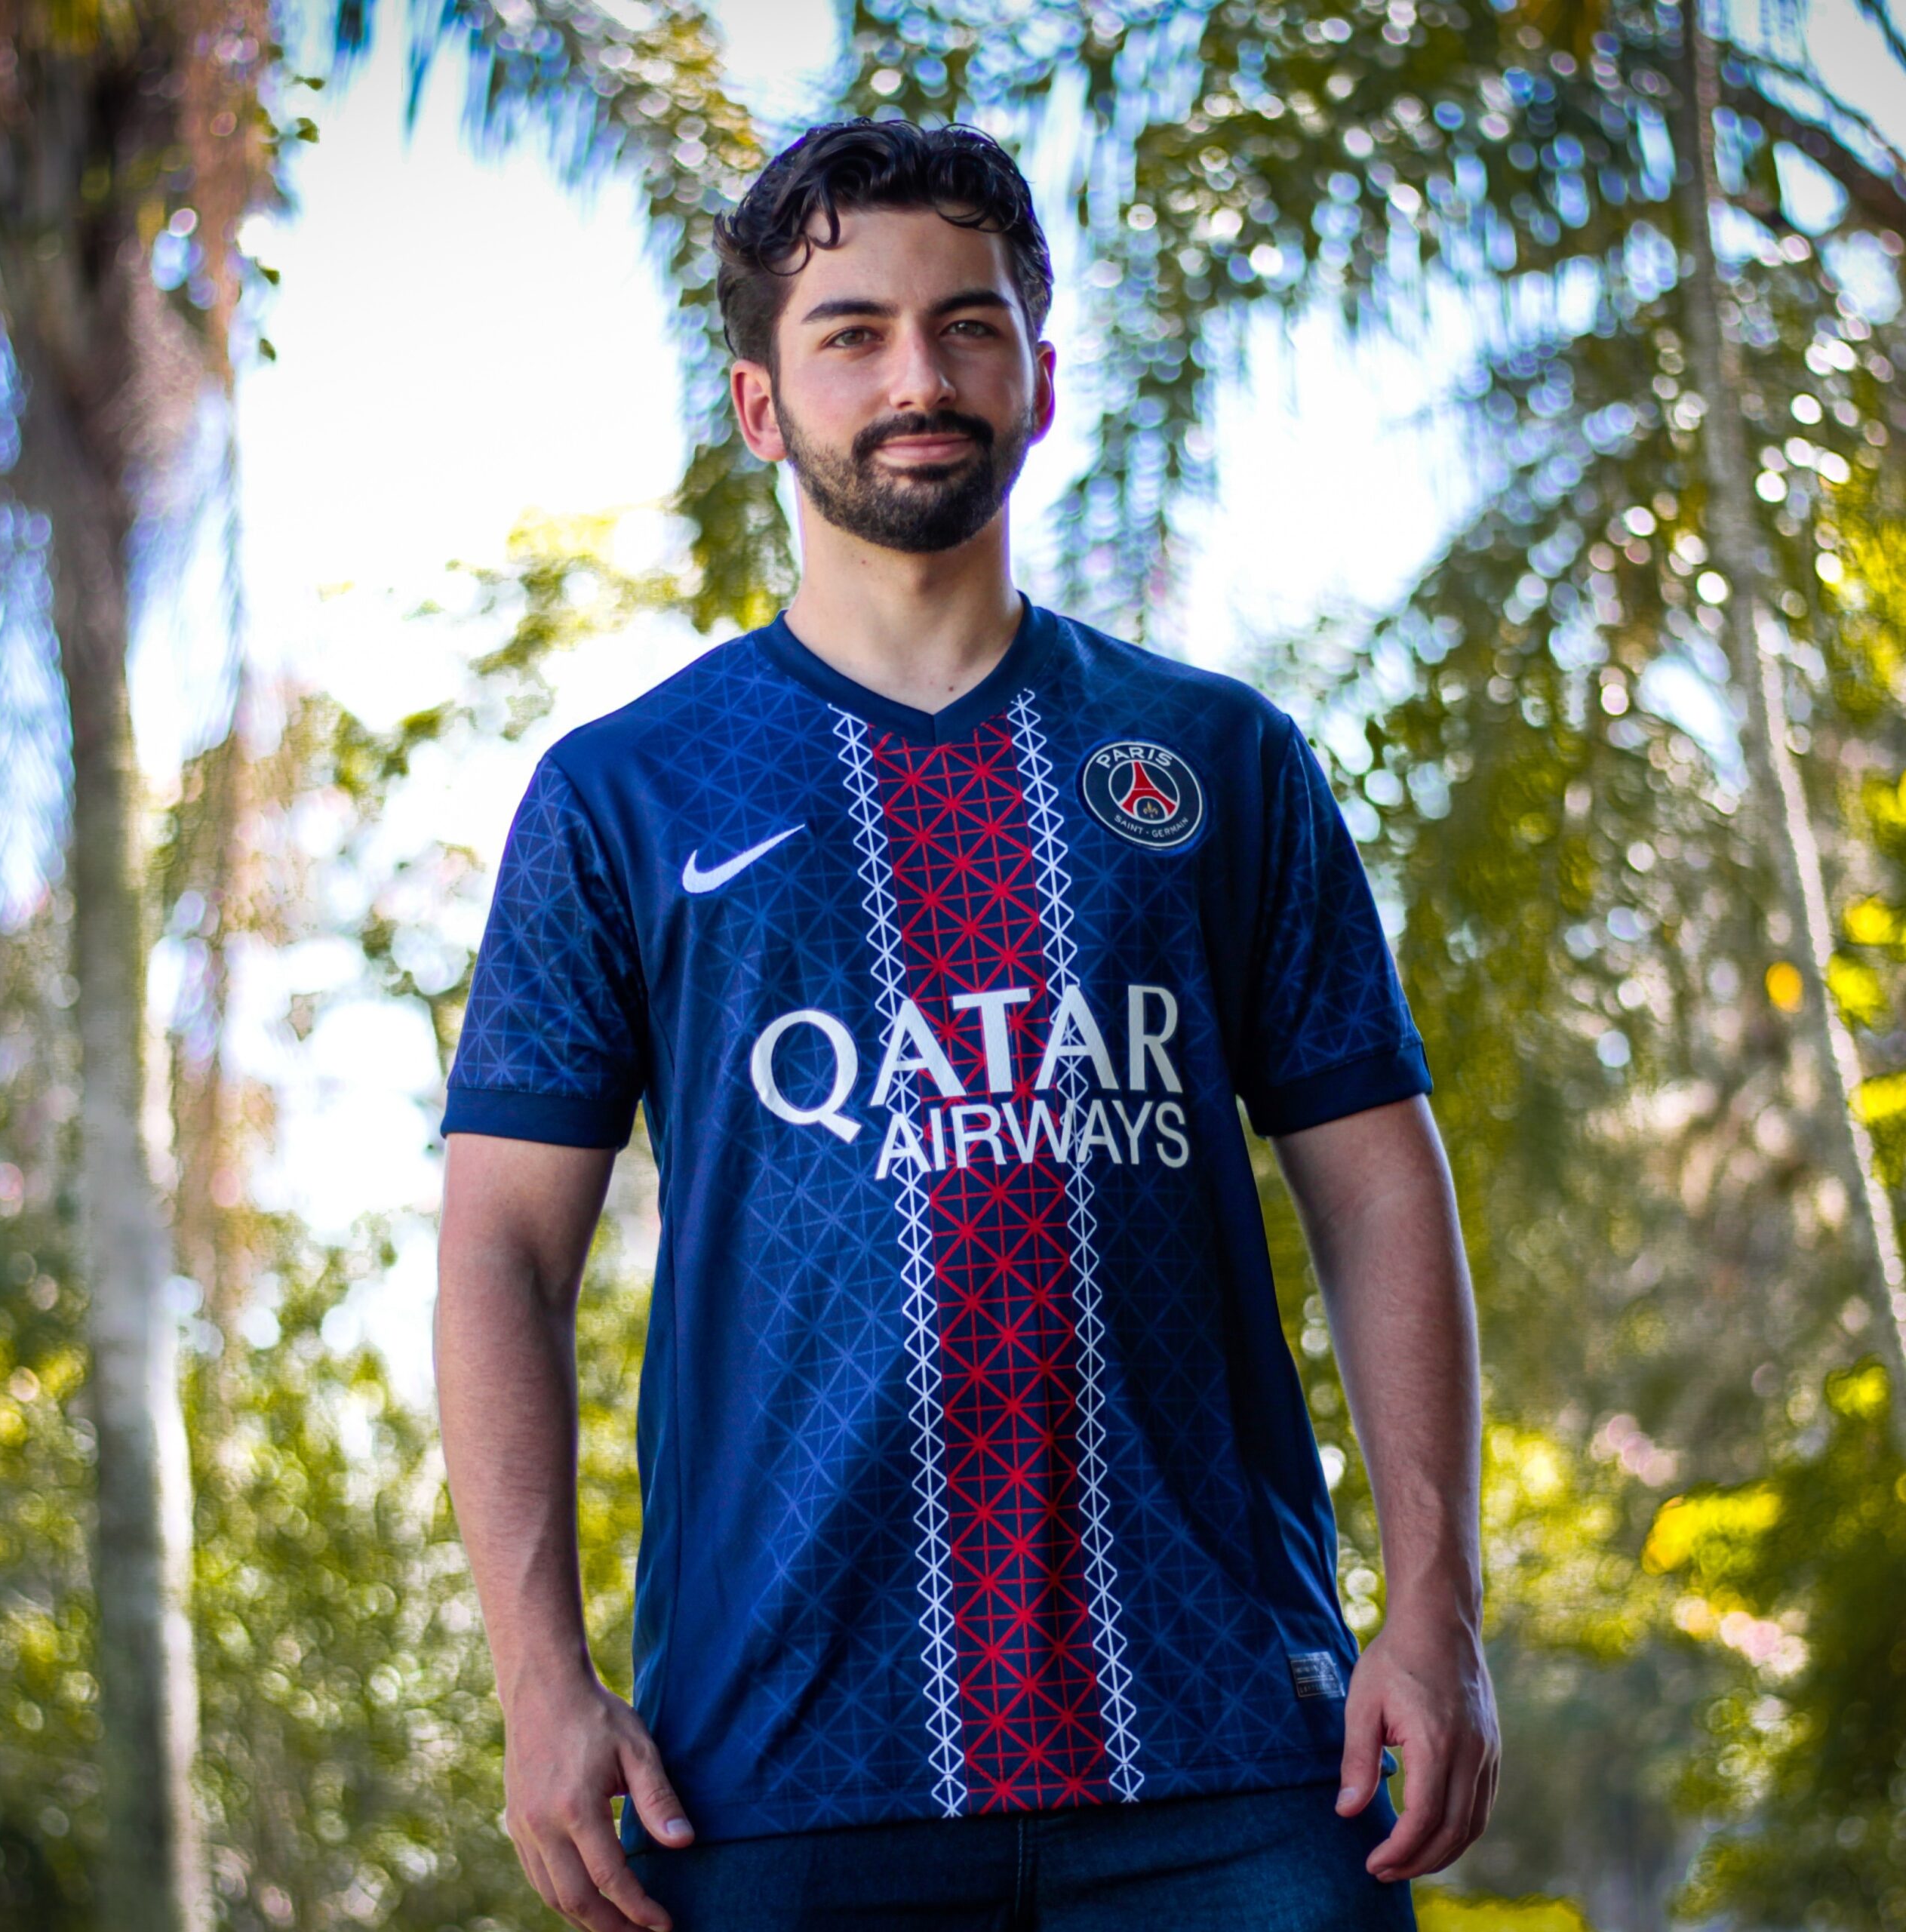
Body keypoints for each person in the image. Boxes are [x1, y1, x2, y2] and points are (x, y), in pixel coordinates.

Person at [434, 117, 1498, 1932]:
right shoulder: (624, 795)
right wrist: (541, 1680)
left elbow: (1381, 1189)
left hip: (1233, 1752)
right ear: (761, 405)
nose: (915, 378)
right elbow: (498, 1253)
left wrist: (1436, 1608)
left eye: (967, 325)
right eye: (849, 333)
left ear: (1039, 376)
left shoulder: (1220, 761)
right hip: (771, 1771)